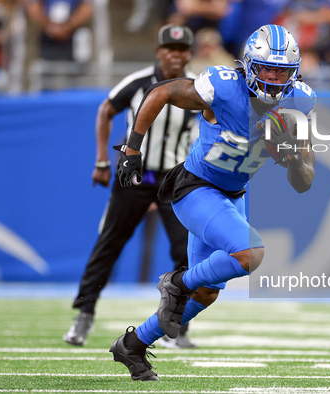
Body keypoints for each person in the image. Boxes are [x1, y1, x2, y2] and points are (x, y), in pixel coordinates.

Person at [107, 24, 316, 381]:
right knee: (251, 254)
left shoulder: (299, 103)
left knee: (205, 294)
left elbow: (304, 182)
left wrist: (293, 158)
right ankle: (177, 281)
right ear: (249, 65)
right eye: (266, 68)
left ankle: (134, 344)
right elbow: (161, 92)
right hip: (196, 188)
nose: (274, 77)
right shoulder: (223, 87)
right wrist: (132, 148)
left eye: (282, 71)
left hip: (233, 197)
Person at [63, 24, 199, 349]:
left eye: (182, 50)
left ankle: (178, 326)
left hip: (173, 180)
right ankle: (84, 314)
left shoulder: (198, 87)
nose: (176, 55)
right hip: (135, 177)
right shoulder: (138, 83)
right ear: (159, 52)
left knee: (186, 251)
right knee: (109, 243)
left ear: (189, 54)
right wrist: (101, 161)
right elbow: (106, 110)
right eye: (170, 48)